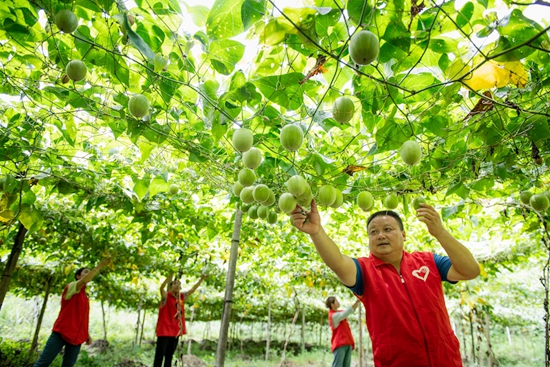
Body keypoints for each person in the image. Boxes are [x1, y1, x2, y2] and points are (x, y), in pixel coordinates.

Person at [290, 200, 480, 367]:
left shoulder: (429, 262)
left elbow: (470, 270)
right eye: (373, 232)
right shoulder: (364, 271)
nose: (380, 235)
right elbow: (338, 263)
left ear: (403, 235)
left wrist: (440, 232)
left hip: (446, 360)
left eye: (387, 229)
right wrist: (317, 232)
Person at [33, 258, 112, 367]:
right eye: (86, 272)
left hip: (77, 337)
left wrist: (86, 333)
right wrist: (99, 266)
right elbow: (85, 281)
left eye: (90, 272)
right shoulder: (71, 287)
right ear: (78, 276)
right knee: (42, 363)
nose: (89, 274)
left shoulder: (85, 296)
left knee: (68, 365)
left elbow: (81, 317)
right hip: (61, 332)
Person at [153, 272, 207, 367]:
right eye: (174, 284)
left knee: (169, 356)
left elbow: (192, 290)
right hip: (164, 331)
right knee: (159, 356)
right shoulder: (166, 297)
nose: (177, 285)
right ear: (170, 288)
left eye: (179, 284)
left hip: (175, 332)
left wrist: (201, 280)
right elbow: (161, 288)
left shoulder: (181, 297)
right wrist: (169, 276)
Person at [326, 297, 361, 367]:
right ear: (332, 305)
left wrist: (359, 300)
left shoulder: (338, 313)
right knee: (338, 365)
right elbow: (347, 312)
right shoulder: (334, 316)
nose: (338, 302)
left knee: (346, 365)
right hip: (340, 344)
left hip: (347, 343)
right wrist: (357, 301)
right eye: (336, 301)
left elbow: (350, 310)